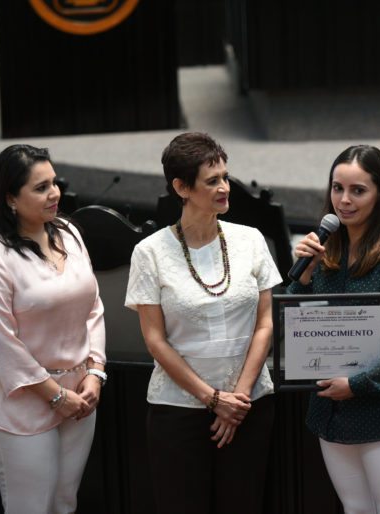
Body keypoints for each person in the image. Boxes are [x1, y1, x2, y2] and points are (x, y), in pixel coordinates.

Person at [125, 132, 282, 514]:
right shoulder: (150, 252)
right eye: (212, 181)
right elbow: (155, 341)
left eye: (225, 177)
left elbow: (266, 322)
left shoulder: (251, 240)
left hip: (250, 407)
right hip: (178, 411)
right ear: (181, 187)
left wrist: (238, 400)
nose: (225, 188)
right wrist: (212, 399)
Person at [289, 145, 380, 514]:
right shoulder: (322, 251)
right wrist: (303, 278)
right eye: (338, 188)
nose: (344, 200)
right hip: (331, 412)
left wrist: (357, 385)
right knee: (355, 509)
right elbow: (295, 327)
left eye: (358, 190)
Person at [0, 144, 106, 514]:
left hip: (80, 394)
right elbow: (0, 340)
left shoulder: (68, 232)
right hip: (21, 399)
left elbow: (92, 307)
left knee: (63, 502)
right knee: (31, 507)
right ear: (10, 197)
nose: (54, 193)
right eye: (40, 187)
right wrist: (56, 396)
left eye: (54, 182)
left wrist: (95, 372)